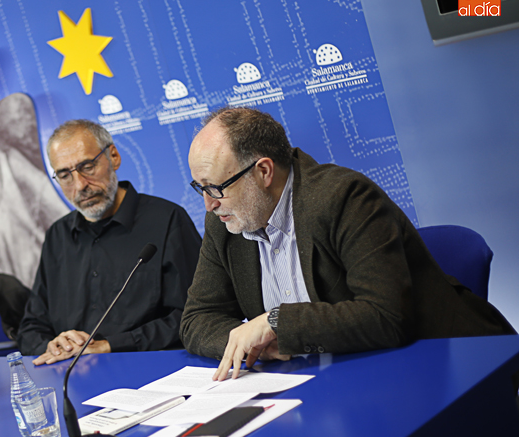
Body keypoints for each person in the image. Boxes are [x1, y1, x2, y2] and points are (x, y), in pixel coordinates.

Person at [182, 107, 514, 380]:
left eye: (214, 187)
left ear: (264, 172)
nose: (209, 204)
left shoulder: (345, 198)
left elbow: (385, 316)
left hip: (445, 368)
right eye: (201, 188)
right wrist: (258, 345)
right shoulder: (225, 220)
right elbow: (197, 319)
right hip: (331, 382)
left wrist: (275, 324)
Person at [17, 119, 202, 365]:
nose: (80, 185)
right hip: (72, 379)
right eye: (64, 175)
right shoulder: (57, 236)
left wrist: (110, 346)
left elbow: (195, 316)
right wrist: (53, 345)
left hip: (153, 371)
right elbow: (31, 327)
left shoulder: (167, 220)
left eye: (88, 166)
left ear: (113, 156)